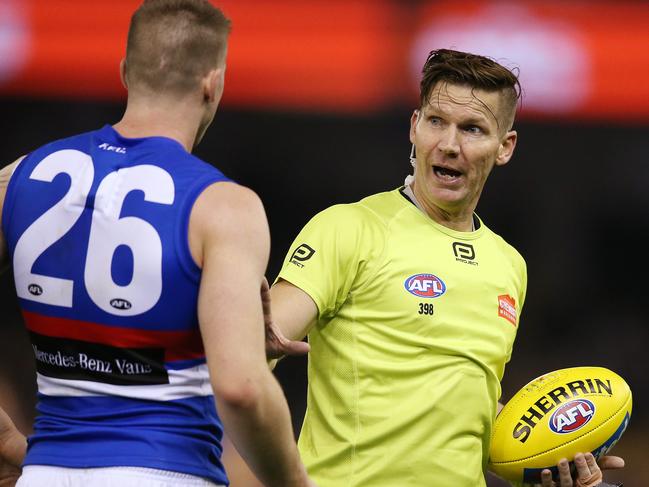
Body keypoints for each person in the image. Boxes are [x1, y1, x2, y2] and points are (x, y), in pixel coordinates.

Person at [264, 49, 624, 487]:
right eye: (437, 121)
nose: (449, 145)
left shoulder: (509, 265)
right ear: (414, 126)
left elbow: (471, 415)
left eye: (472, 129)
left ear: (505, 147)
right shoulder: (349, 228)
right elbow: (256, 347)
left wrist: (555, 461)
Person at [0, 1, 313, 486]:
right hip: (168, 470)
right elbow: (242, 389)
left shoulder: (21, 176)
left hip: (46, 472)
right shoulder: (224, 207)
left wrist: (4, 439)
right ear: (214, 83)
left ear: (125, 70)